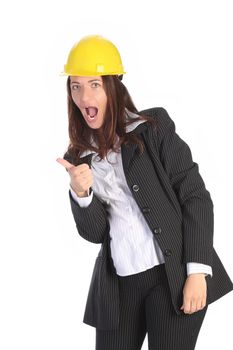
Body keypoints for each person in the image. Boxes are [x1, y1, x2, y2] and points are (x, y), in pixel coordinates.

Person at [56, 34, 233, 350]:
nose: (84, 96)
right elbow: (95, 233)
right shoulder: (77, 158)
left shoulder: (152, 128)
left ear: (113, 86)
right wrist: (82, 195)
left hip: (172, 277)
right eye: (76, 86)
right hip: (119, 286)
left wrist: (196, 272)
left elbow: (195, 196)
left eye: (94, 84)